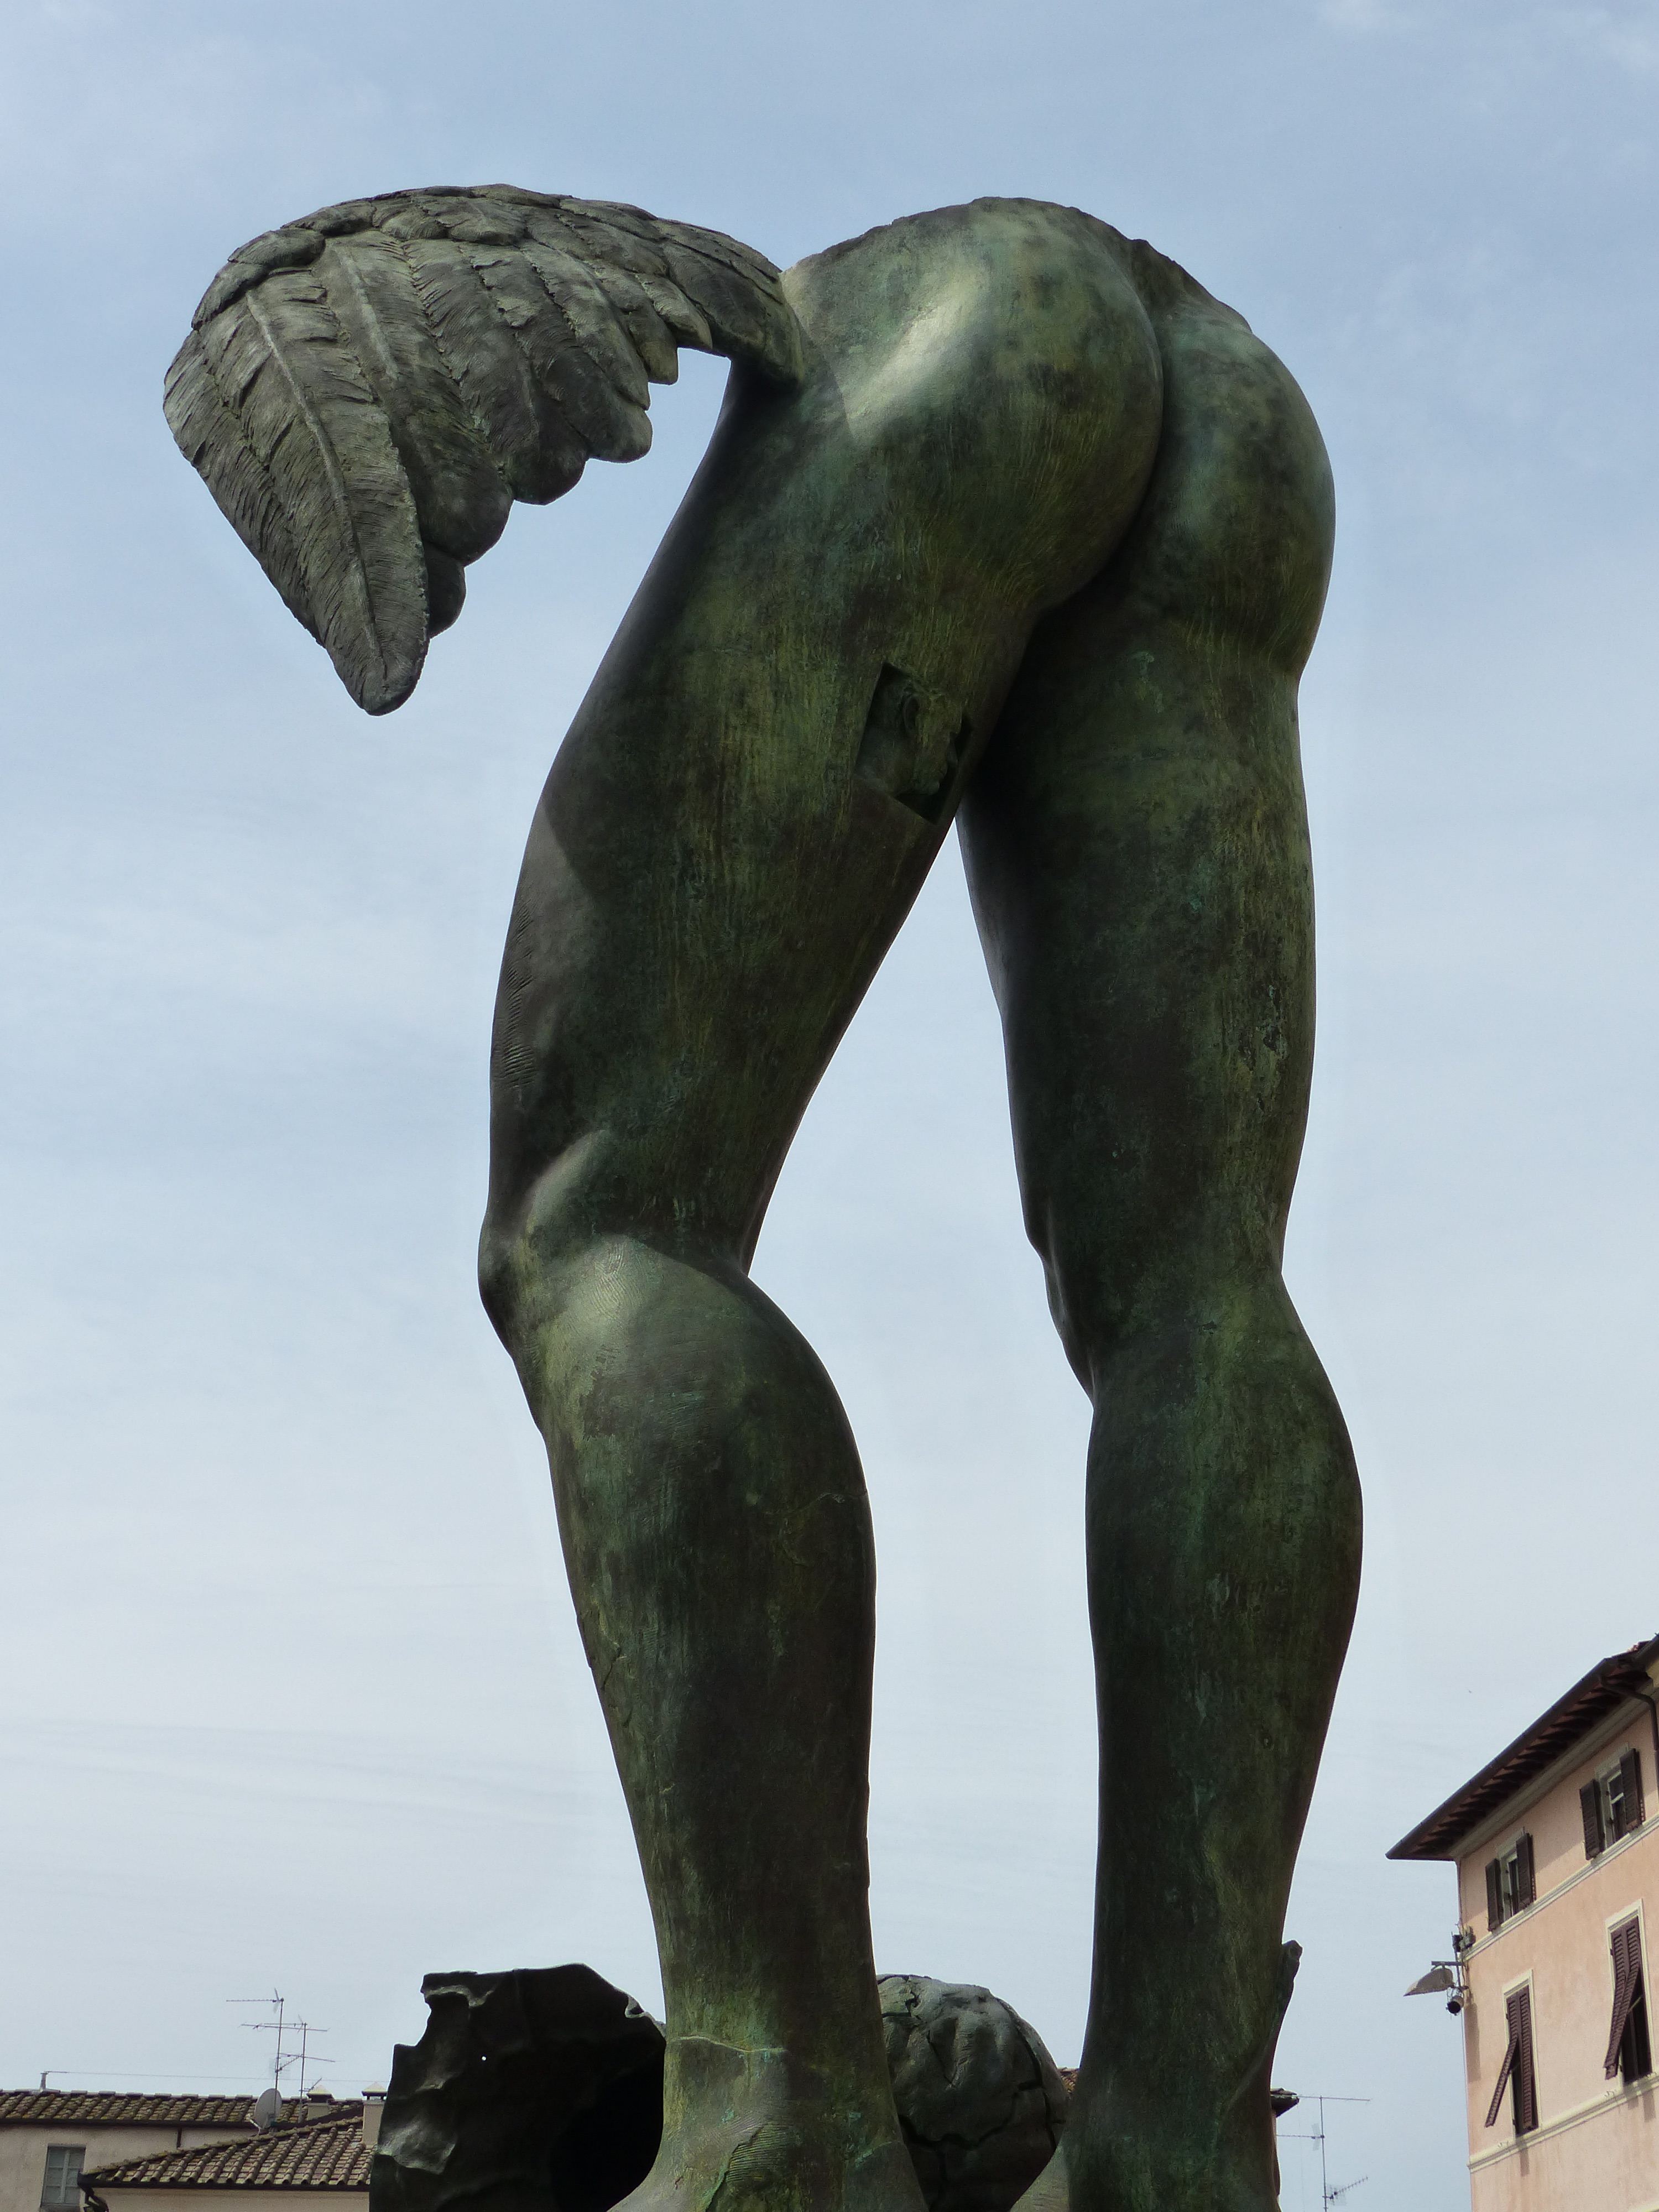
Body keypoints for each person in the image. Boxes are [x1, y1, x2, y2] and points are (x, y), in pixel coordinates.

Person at [474, 199, 1361, 2212]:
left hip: (949, 340)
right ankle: (1175, 2142)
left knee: (604, 1225)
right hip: (1238, 410)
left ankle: (778, 2115)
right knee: (1201, 1289)